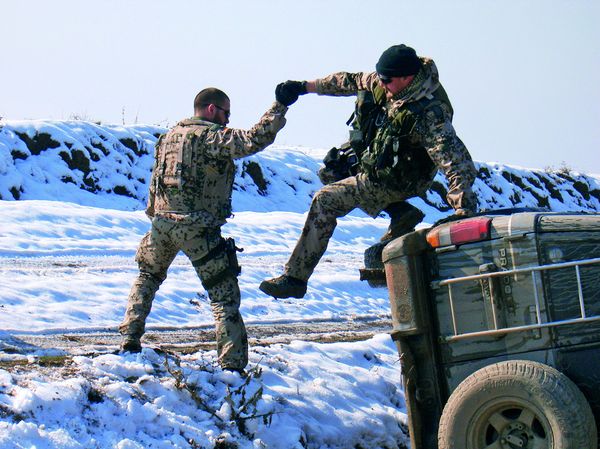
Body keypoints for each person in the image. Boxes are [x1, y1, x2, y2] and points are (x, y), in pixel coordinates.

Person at [260, 44, 478, 299]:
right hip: (381, 165)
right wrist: (304, 87)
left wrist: (463, 209)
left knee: (325, 199)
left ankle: (295, 278)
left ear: (407, 78)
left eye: (387, 80)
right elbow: (347, 81)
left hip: (401, 179)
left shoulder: (429, 113)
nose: (382, 84)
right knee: (334, 170)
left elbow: (457, 162)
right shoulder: (387, 80)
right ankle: (401, 212)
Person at [119, 85, 298, 373]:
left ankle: (129, 338)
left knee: (146, 278)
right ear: (212, 109)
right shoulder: (210, 136)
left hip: (163, 223)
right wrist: (280, 106)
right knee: (223, 296)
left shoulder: (169, 137)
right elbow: (254, 139)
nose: (228, 119)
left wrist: (156, 215)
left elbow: (155, 180)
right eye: (226, 113)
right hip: (198, 227)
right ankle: (232, 366)